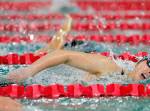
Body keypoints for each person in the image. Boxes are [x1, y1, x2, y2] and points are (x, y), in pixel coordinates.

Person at [7, 15, 150, 82]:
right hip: (72, 56)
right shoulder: (113, 68)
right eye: (149, 64)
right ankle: (60, 36)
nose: (149, 71)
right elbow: (63, 56)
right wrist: (27, 72)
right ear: (140, 62)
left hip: (86, 56)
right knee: (44, 53)